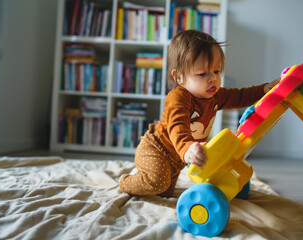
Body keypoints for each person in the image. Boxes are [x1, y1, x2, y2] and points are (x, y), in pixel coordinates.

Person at [119, 30, 279, 197]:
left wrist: (263, 90)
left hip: (178, 159)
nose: (212, 79)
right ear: (179, 77)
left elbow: (239, 96)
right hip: (157, 149)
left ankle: (148, 178)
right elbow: (177, 126)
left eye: (216, 71)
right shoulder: (178, 97)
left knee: (165, 193)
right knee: (157, 182)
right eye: (202, 74)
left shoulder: (216, 95)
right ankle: (125, 182)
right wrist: (187, 149)